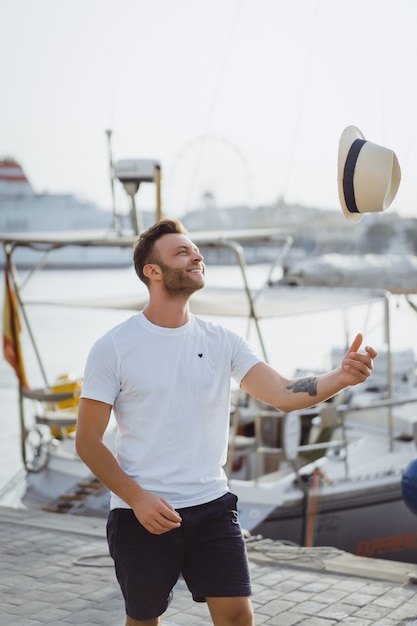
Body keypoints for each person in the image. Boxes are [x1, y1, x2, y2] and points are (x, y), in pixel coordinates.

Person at [75, 218, 378, 626]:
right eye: (182, 252)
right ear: (153, 271)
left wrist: (338, 378)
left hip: (212, 507)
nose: (196, 255)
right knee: (144, 620)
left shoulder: (223, 340)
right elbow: (88, 441)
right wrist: (138, 498)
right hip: (141, 513)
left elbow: (283, 394)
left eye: (196, 249)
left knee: (237, 616)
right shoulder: (113, 347)